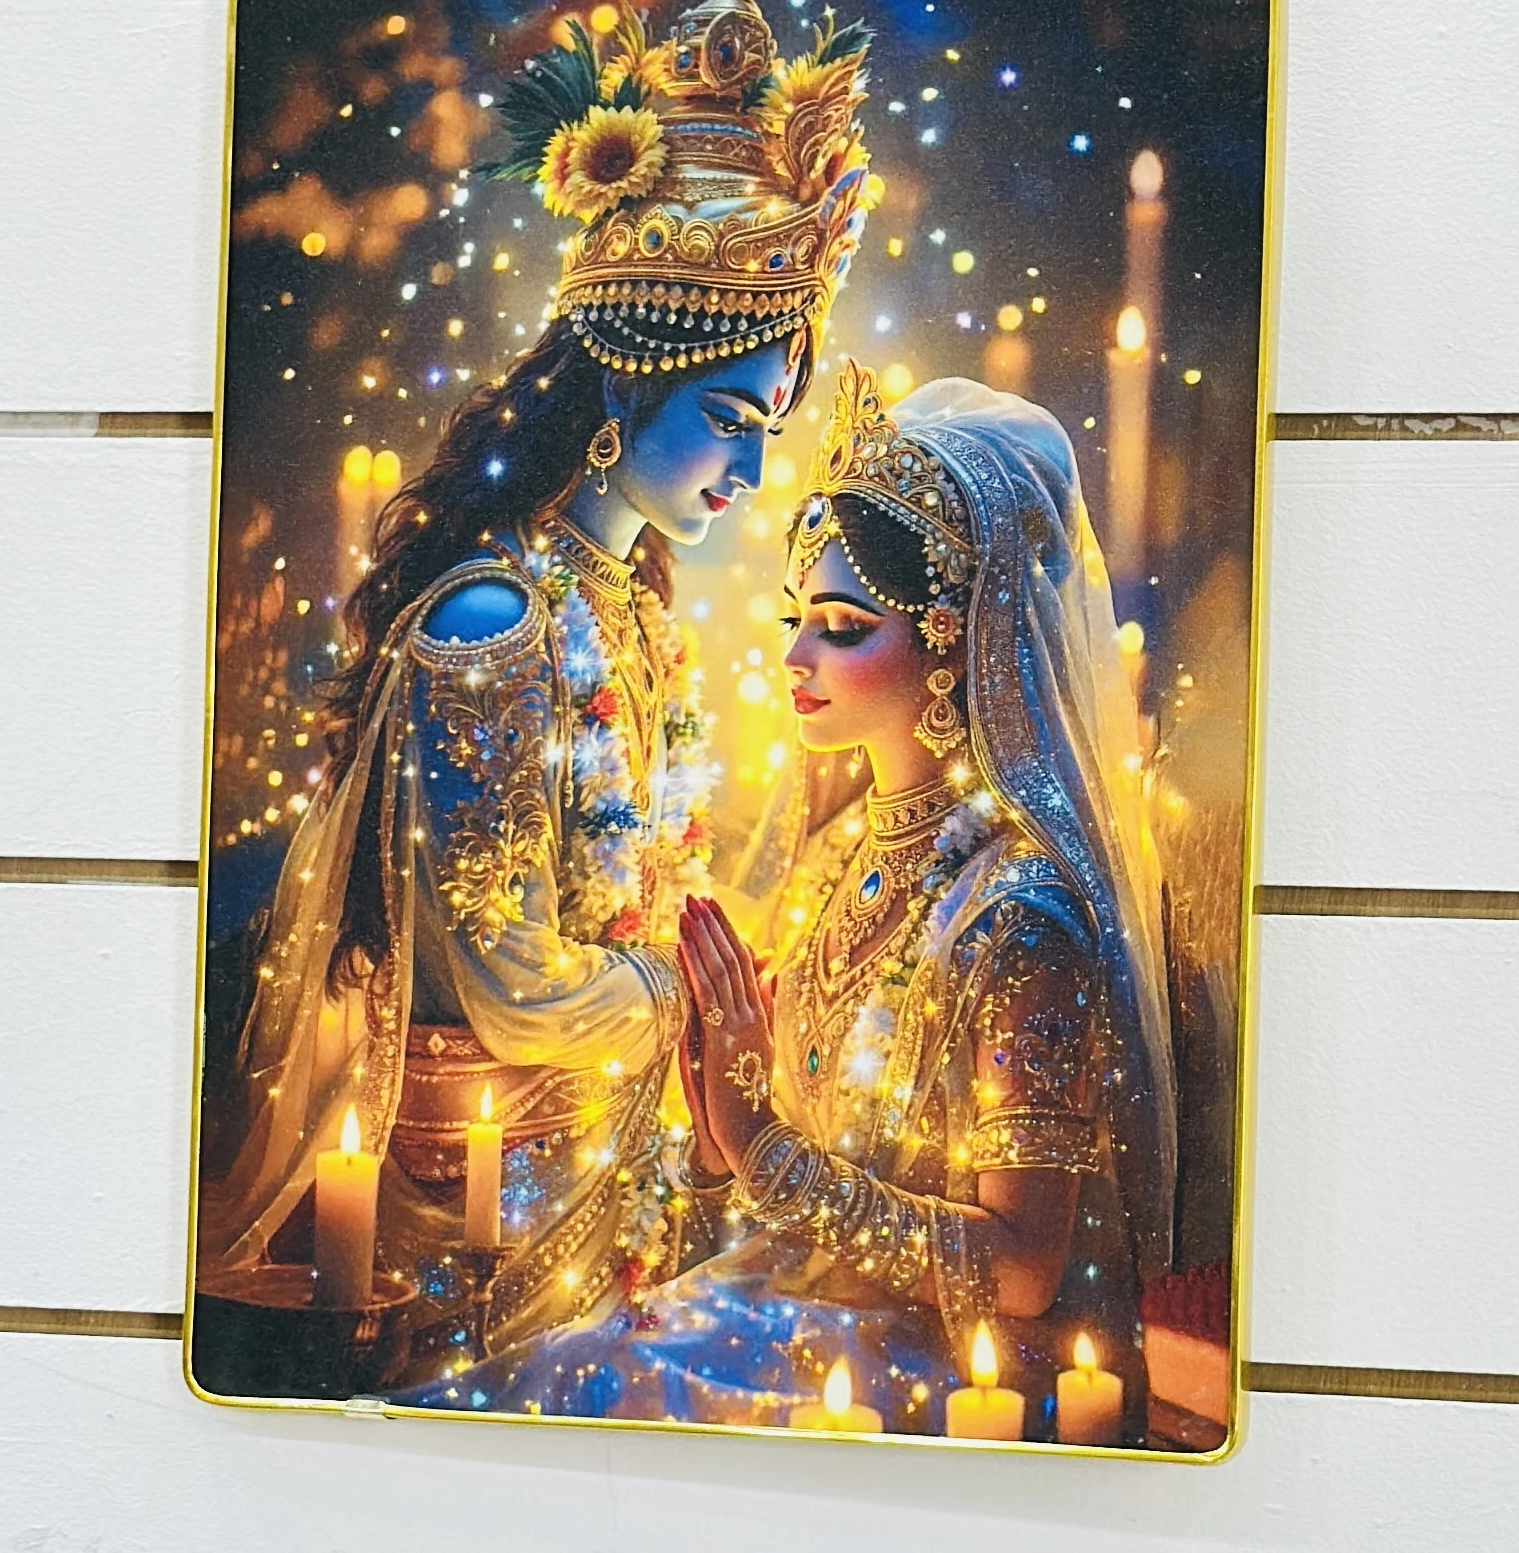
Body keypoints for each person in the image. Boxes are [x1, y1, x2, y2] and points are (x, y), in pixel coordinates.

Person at [195, 0, 882, 1362]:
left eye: (766, 430)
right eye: (729, 422)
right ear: (624, 389)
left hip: (602, 1171)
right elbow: (510, 980)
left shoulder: (624, 601)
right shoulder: (492, 624)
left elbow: (642, 887)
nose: (751, 474)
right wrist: (695, 998)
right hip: (477, 1208)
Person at [409, 363, 1178, 1441]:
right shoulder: (850, 863)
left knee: (565, 1400)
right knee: (523, 1386)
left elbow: (1020, 1271)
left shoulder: (1020, 918)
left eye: (842, 627)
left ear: (955, 642)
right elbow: (793, 1168)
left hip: (951, 1368)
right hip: (799, 1307)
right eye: (793, 618)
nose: (794, 655)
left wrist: (760, 1146)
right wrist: (719, 1135)